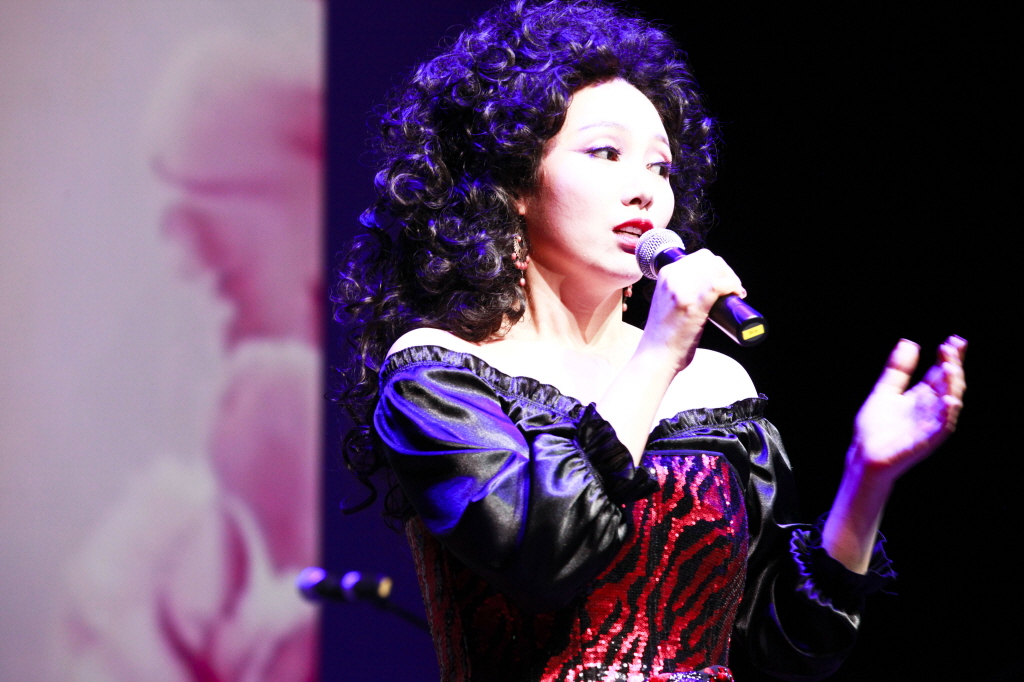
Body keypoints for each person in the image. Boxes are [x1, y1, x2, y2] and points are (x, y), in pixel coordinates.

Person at [332, 1, 966, 680]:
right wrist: (659, 352)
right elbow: (547, 557)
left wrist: (866, 478)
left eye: (660, 168)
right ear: (515, 182)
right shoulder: (440, 372)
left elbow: (786, 646)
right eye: (606, 153)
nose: (645, 192)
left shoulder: (717, 385)